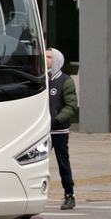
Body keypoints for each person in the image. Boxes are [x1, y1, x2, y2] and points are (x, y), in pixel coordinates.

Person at [47, 47, 78, 209]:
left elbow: (72, 105)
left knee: (63, 163)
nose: (46, 60)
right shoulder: (39, 79)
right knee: (35, 164)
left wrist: (57, 119)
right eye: (45, 57)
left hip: (58, 131)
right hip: (41, 132)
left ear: (57, 60)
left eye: (50, 57)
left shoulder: (65, 81)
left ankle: (69, 195)